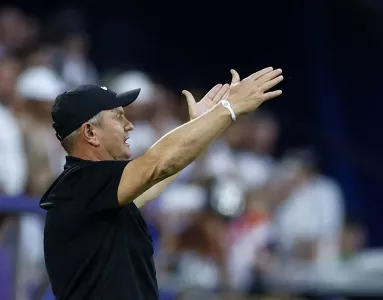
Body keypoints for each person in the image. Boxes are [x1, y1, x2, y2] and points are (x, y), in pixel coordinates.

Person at [39, 67, 284, 300]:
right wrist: (228, 109)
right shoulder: (81, 184)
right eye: (118, 118)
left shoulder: (94, 192)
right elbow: (159, 164)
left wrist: (200, 128)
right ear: (90, 133)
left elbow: (159, 177)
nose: (129, 125)